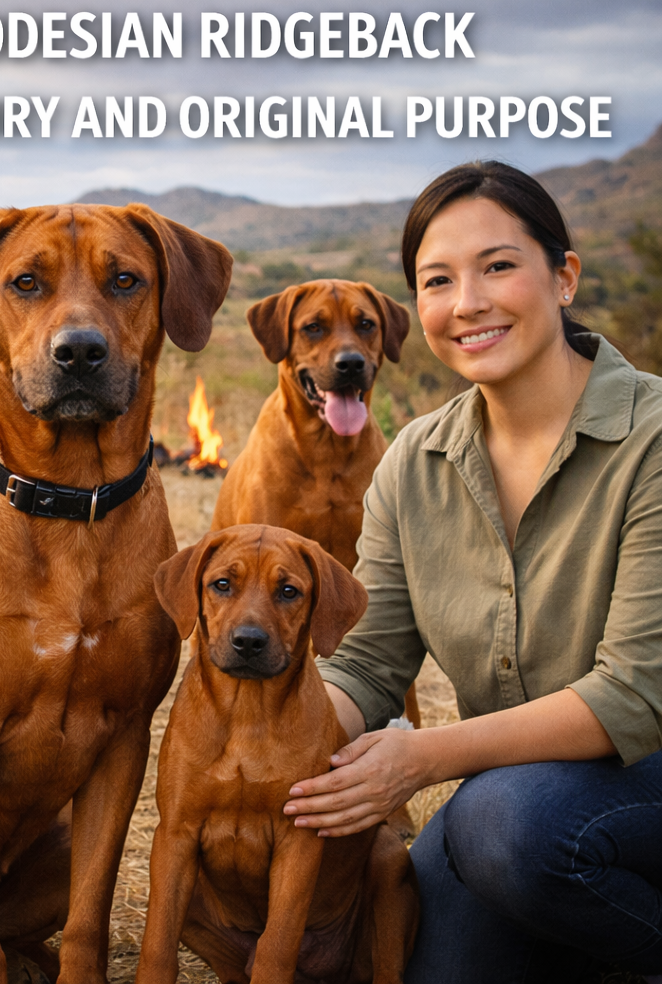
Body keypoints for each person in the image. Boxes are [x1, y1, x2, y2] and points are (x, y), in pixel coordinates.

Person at [283, 161, 662, 982]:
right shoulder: (413, 462)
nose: (468, 304)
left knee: (505, 825)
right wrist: (277, 755)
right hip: (519, 802)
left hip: (627, 782)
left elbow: (634, 694)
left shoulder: (653, 442)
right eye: (438, 280)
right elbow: (367, 661)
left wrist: (421, 758)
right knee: (421, 946)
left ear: (563, 278)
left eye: (498, 267)